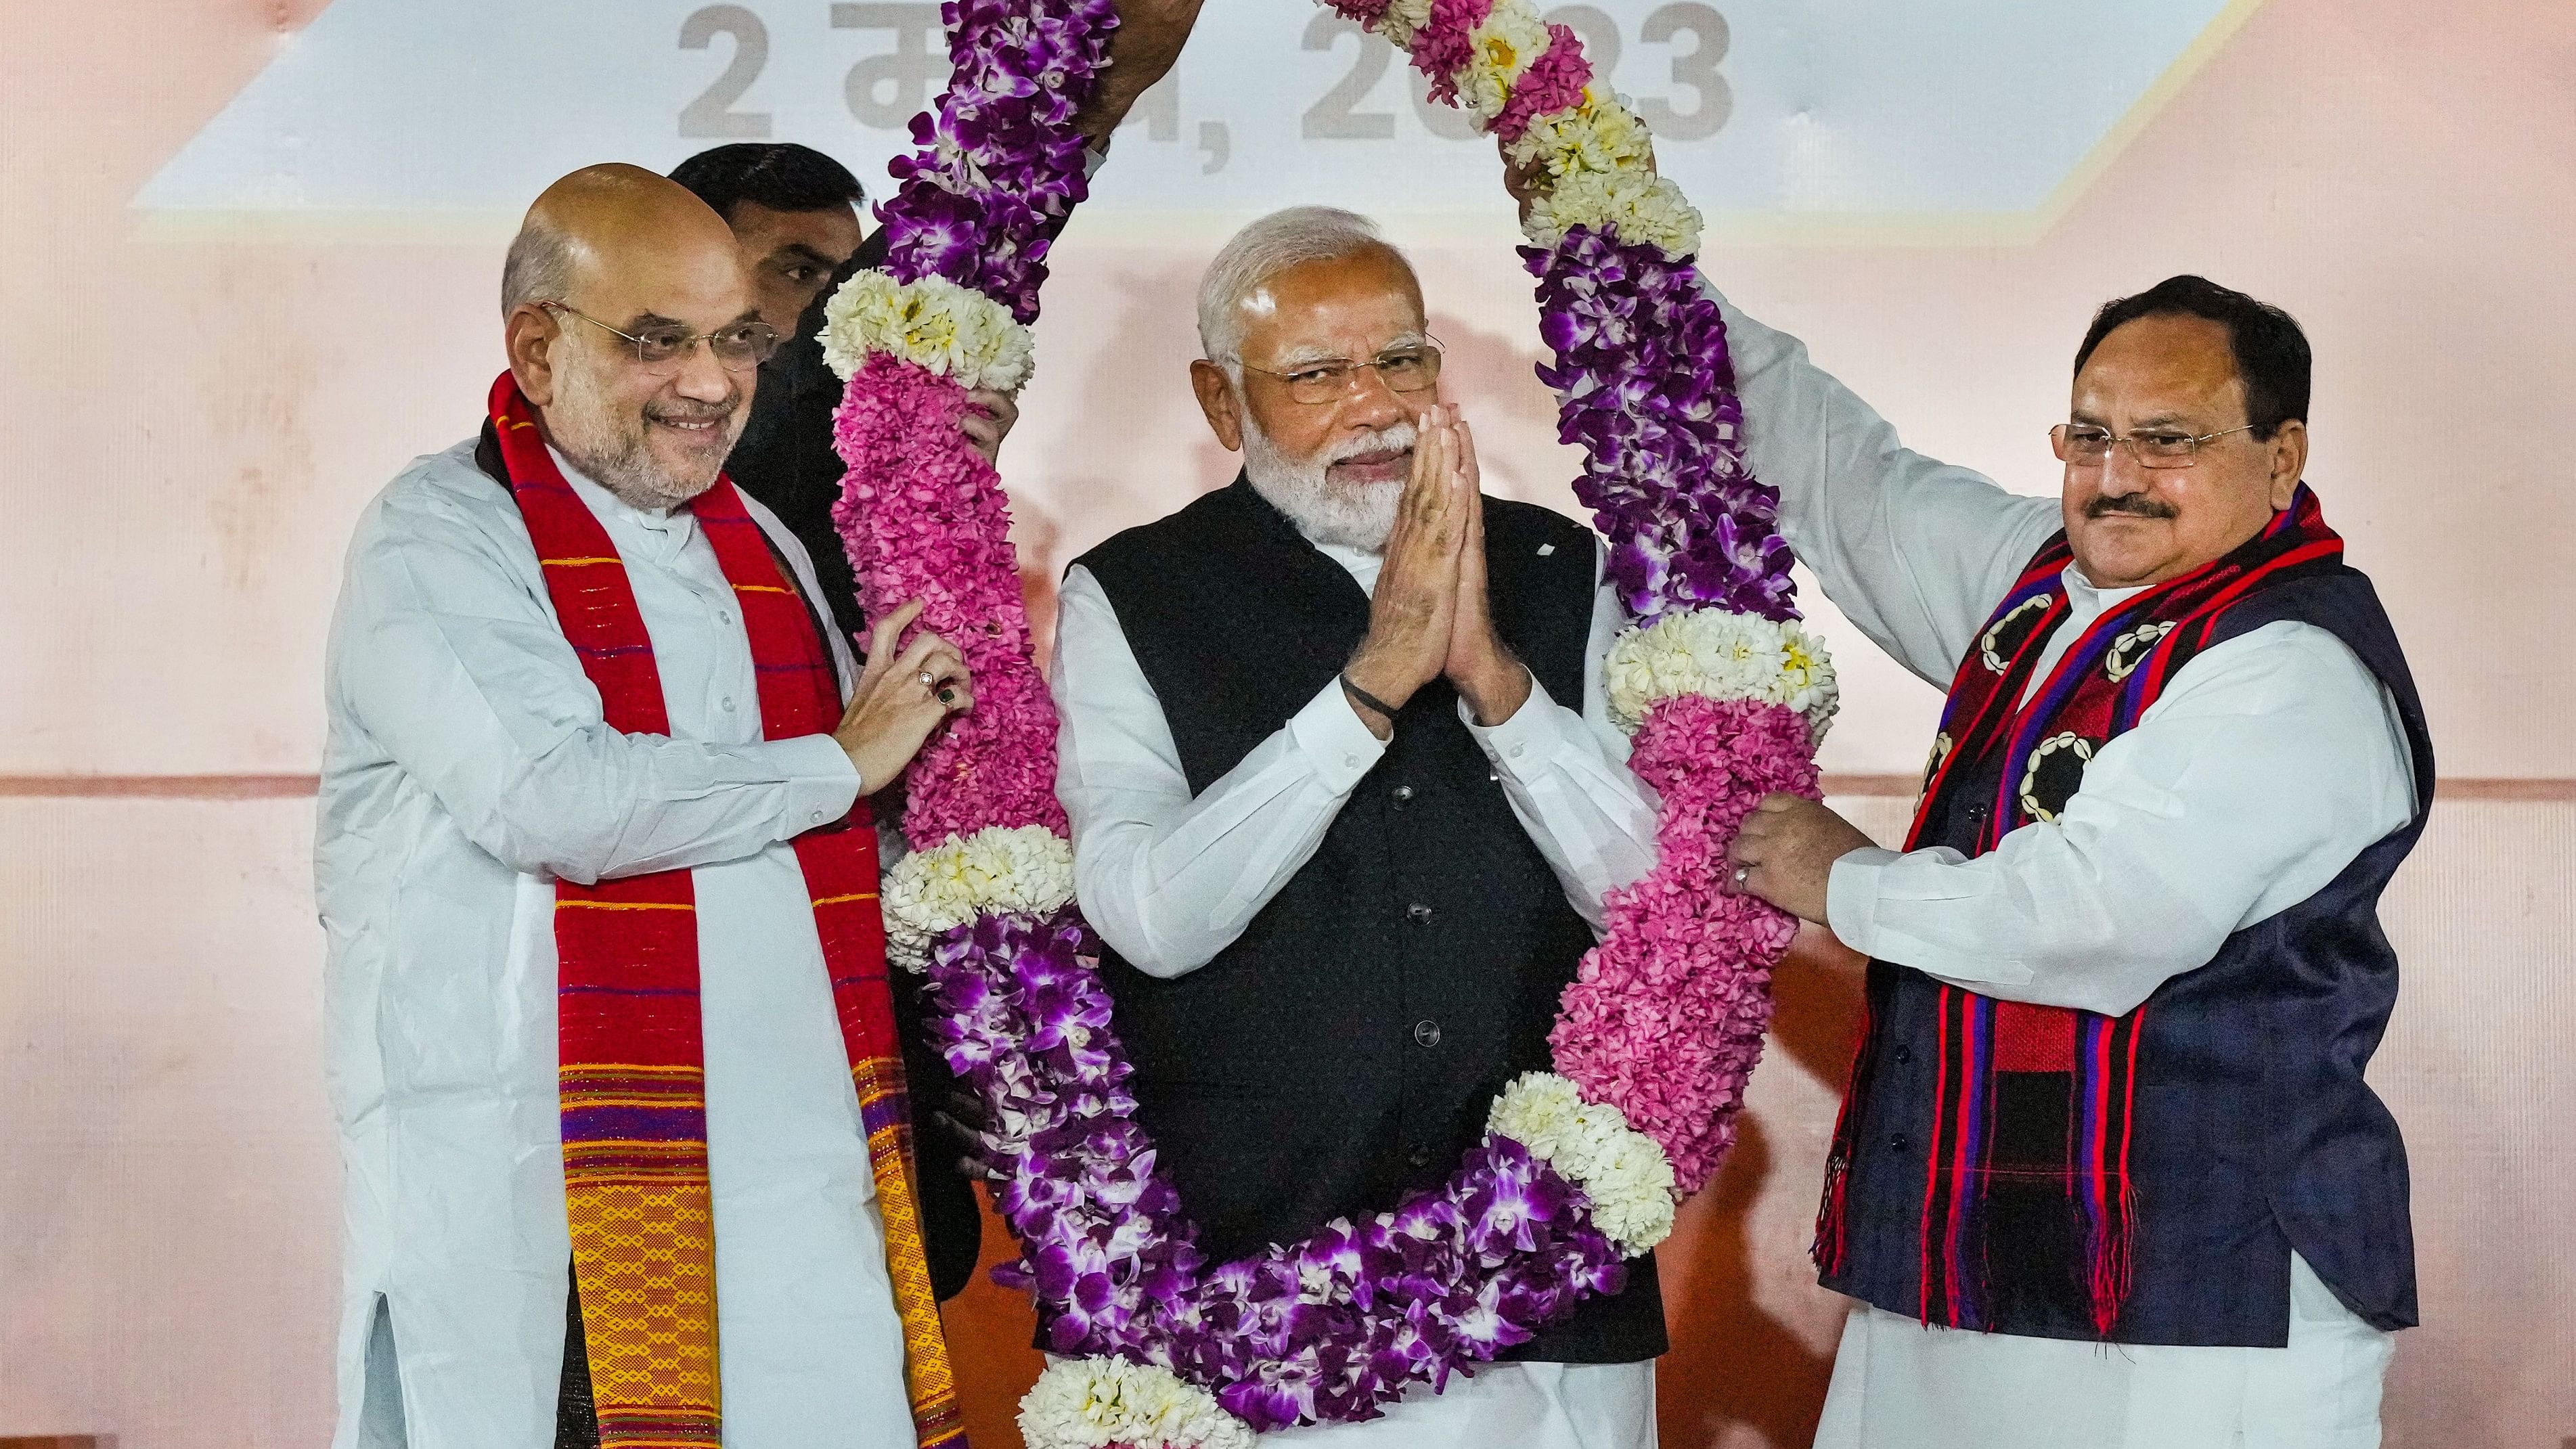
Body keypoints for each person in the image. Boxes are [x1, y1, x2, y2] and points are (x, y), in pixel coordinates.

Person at [316, 164, 981, 1448]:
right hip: (559, 1192)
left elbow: (841, 828)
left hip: (794, 1171)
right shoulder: (438, 534)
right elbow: (552, 796)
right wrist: (841, 759)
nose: (714, 382)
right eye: (656, 341)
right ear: (535, 345)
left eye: (737, 338)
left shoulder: (765, 543)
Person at [1711, 275, 2434, 1448]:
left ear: (2279, 452)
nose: (2115, 474)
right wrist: (1619, 246)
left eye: (2168, 441)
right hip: (1962, 1262)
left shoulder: (2294, 664)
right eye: (2088, 435)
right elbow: (1849, 480)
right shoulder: (2049, 588)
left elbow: (2094, 914)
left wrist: (1841, 877)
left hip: (2198, 1304)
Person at [1049, 206, 1667, 1446]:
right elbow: (1149, 917)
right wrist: (1367, 690)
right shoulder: (1131, 591)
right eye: (1317, 375)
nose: (1373, 406)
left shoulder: (1558, 564)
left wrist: (1495, 678)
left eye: (1401, 360)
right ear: (1223, 406)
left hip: (1548, 1278)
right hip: (1260, 1292)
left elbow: (1654, 903)